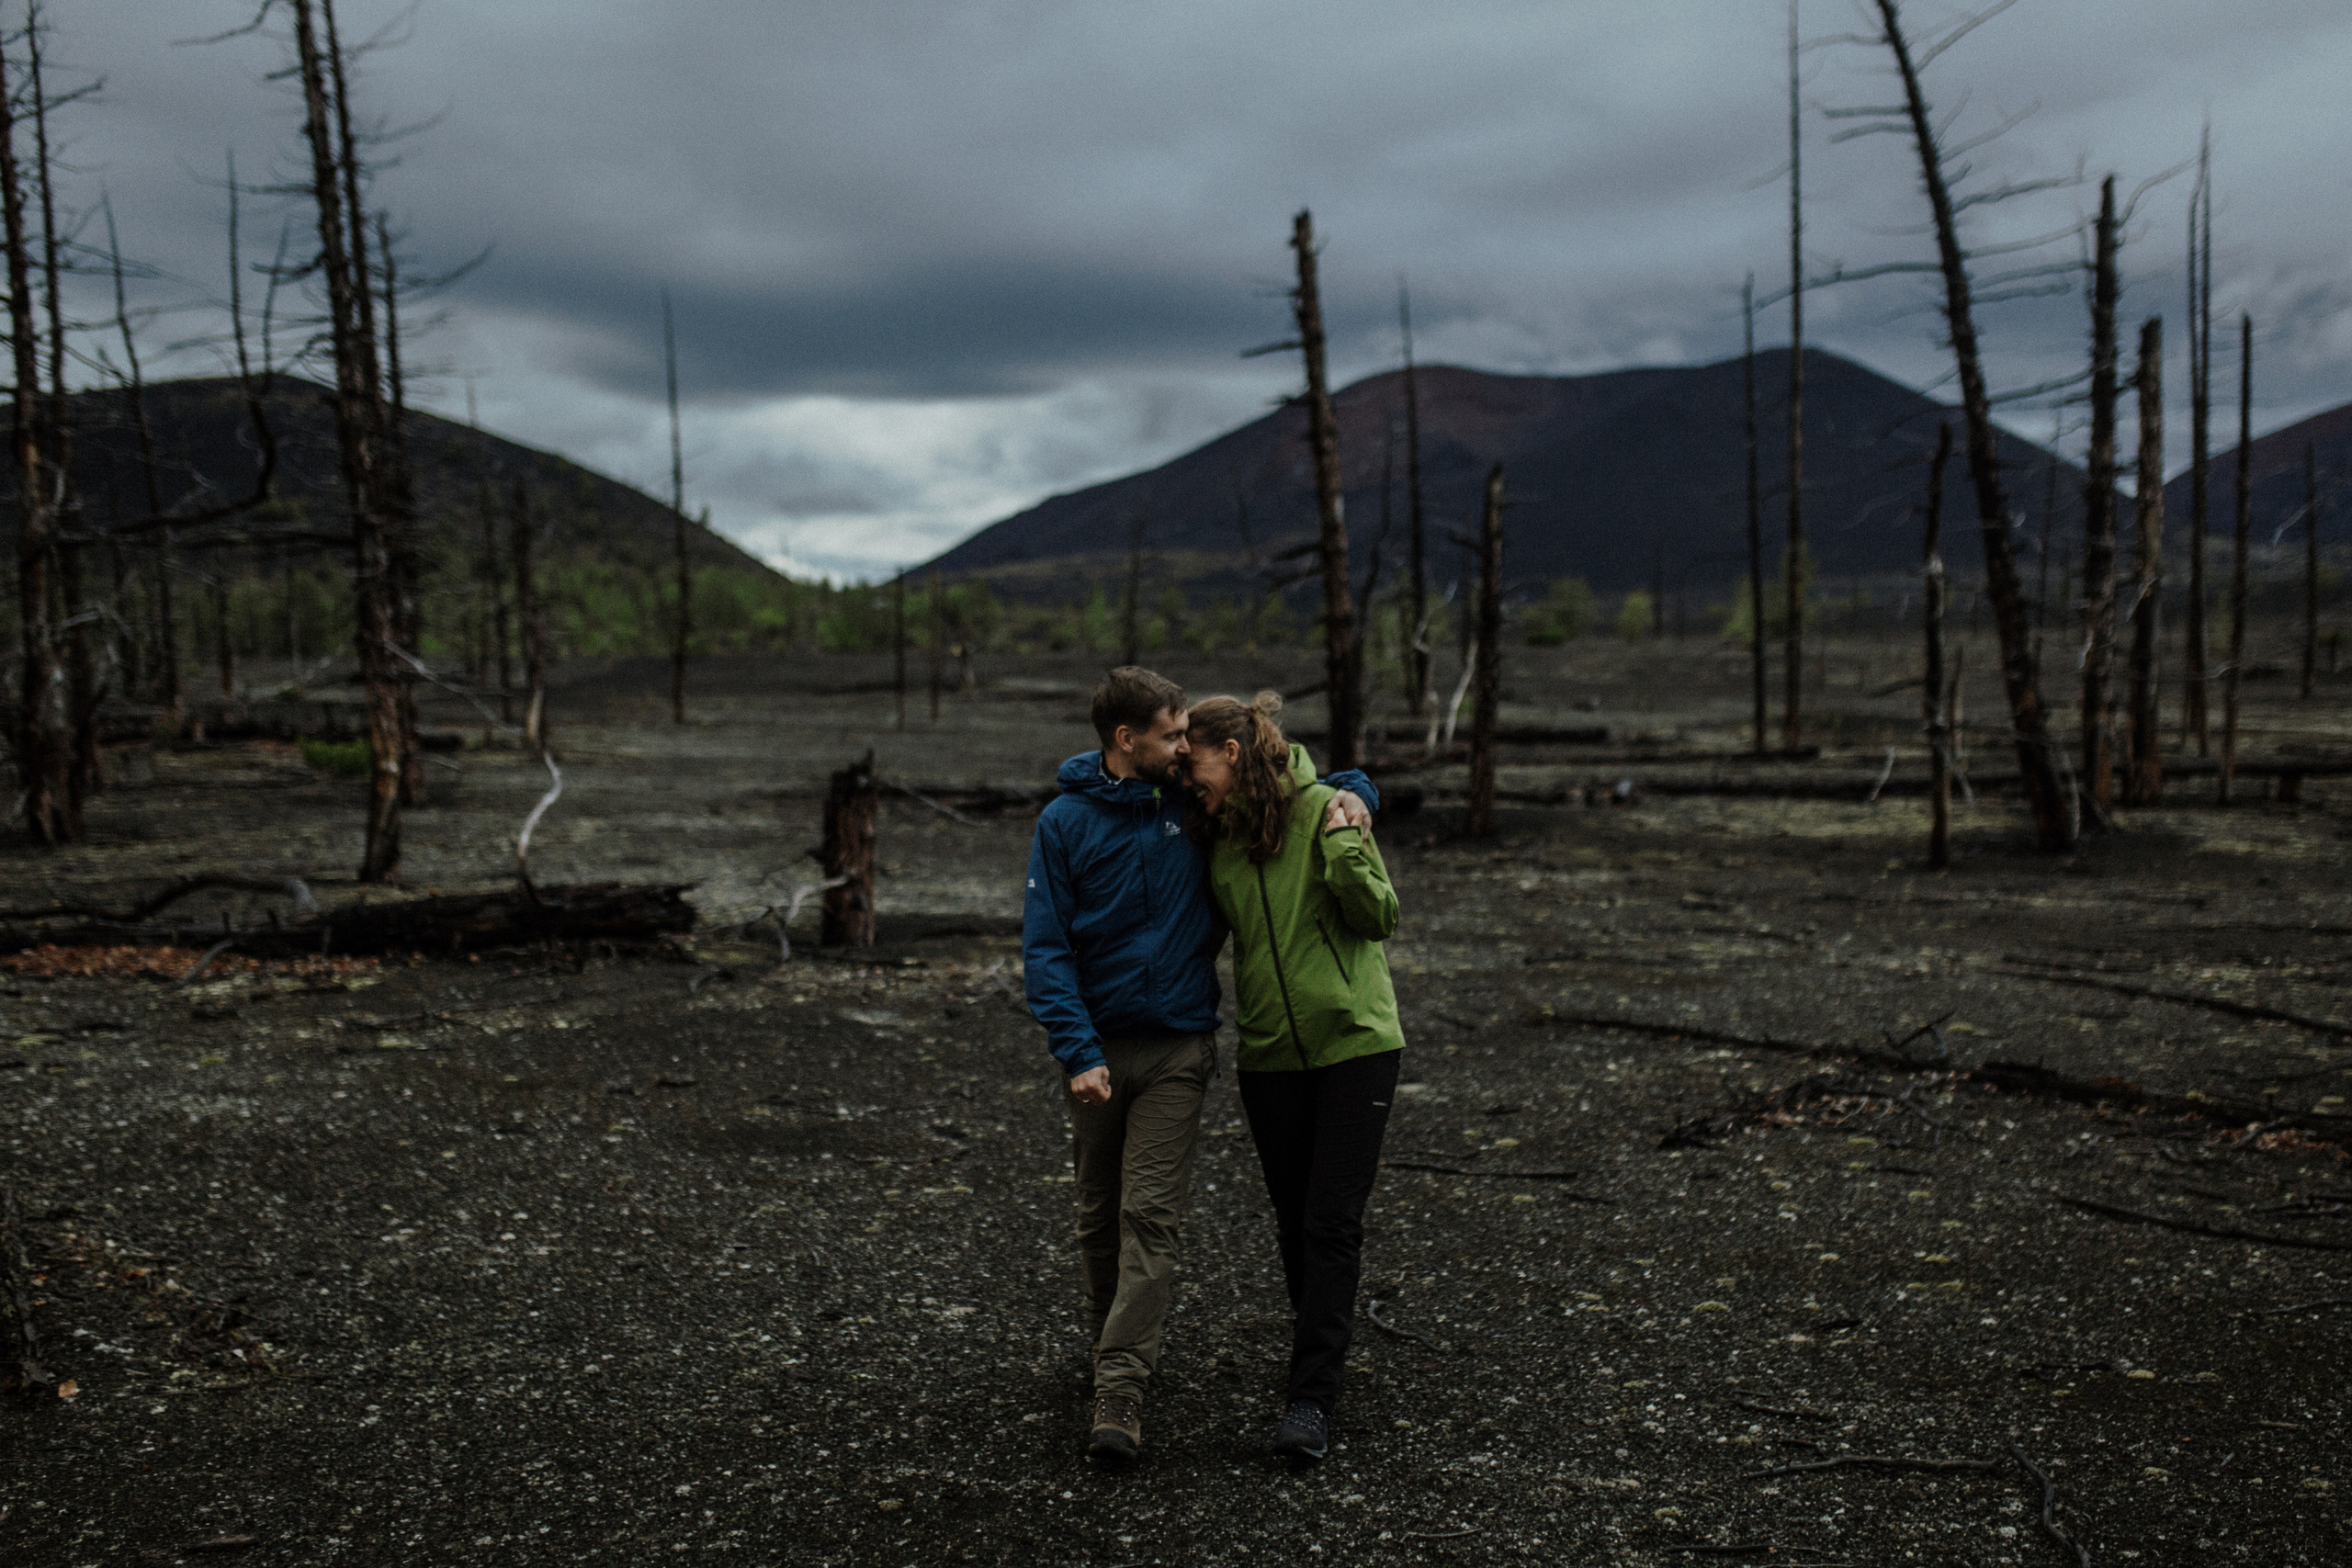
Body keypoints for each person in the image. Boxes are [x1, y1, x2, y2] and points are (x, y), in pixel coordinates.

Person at [1023, 667, 1376, 1465]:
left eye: (1189, 736)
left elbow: (1285, 777)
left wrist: (1360, 790)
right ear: (1126, 739)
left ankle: (1121, 1388)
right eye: (1171, 734)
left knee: (1150, 1213)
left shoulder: (1194, 806)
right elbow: (1045, 947)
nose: (1184, 748)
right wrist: (1076, 1049)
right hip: (1097, 1050)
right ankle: (1110, 1347)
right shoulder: (1064, 823)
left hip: (1181, 1044)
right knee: (1097, 1216)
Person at [1183, 691, 1406, 1464]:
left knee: (1330, 1221)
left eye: (1195, 760)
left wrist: (1349, 833)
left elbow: (1380, 916)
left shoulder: (1327, 811)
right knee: (1292, 1222)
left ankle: (1311, 1396)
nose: (1187, 776)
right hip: (1270, 1055)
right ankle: (1322, 1352)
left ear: (1234, 753)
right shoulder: (1218, 839)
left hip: (1357, 1044)